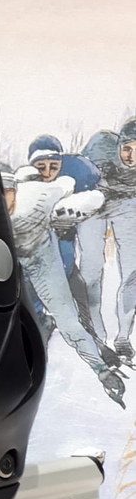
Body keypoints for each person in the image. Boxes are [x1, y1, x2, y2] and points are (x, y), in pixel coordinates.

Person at [11, 163, 126, 407]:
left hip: (36, 260)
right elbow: (72, 187)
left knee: (62, 316)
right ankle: (99, 364)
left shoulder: (38, 196)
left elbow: (74, 190)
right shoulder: (45, 194)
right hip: (33, 259)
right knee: (63, 318)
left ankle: (98, 363)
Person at [28, 136, 107, 349]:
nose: (47, 172)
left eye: (53, 166)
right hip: (36, 262)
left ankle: (94, 338)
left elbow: (92, 201)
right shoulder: (25, 190)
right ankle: (40, 323)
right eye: (41, 167)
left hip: (65, 259)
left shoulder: (69, 188)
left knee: (76, 289)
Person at [82, 121, 136, 364]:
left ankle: (123, 336)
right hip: (96, 202)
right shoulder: (100, 146)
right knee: (92, 265)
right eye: (127, 148)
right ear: (118, 145)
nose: (131, 156)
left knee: (133, 270)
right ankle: (96, 334)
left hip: (126, 204)